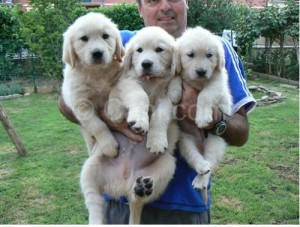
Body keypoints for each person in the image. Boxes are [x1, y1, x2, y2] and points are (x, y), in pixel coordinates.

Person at [59, 0, 256, 224]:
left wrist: (213, 119)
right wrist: (111, 121)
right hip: (114, 194)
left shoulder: (214, 48)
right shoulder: (118, 42)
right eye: (153, 1)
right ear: (140, 8)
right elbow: (66, 102)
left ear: (186, 3)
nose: (165, 7)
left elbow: (242, 133)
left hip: (183, 203)